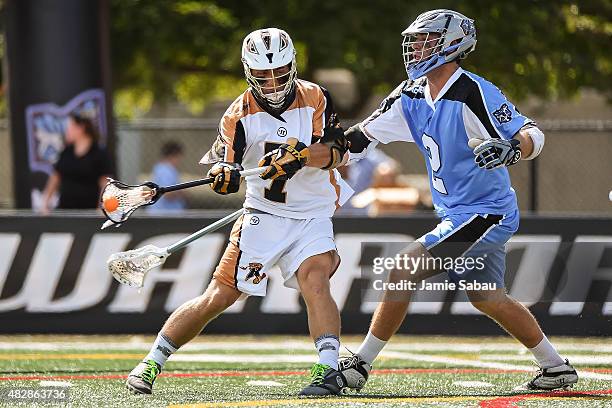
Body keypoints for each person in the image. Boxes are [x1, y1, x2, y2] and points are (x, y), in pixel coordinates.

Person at [301, 9, 578, 392]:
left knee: (402, 270)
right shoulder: (411, 92)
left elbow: (533, 133)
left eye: (424, 40)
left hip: (487, 212)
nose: (414, 48)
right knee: (487, 297)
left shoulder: (473, 92)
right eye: (413, 41)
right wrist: (302, 158)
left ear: (452, 45)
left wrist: (512, 148)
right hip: (457, 214)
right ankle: (555, 367)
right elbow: (359, 140)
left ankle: (359, 366)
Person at [125, 28, 353, 396]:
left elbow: (337, 153)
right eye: (263, 75)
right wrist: (223, 174)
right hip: (264, 215)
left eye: (279, 71)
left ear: (292, 65)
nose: (273, 81)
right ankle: (152, 361)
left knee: (316, 278)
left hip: (313, 212)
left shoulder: (315, 96)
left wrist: (301, 156)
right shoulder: (238, 115)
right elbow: (225, 174)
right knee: (220, 296)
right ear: (249, 72)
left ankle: (327, 369)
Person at [40, 113, 112, 213]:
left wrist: (101, 207)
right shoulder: (66, 152)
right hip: (65, 209)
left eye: (70, 127)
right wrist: (45, 203)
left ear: (81, 128)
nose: (67, 131)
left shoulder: (98, 153)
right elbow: (55, 178)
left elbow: (104, 183)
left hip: (88, 212)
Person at [146, 141, 187, 213]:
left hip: (162, 213)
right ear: (173, 155)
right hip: (165, 214)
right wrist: (182, 193)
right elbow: (167, 194)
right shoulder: (166, 170)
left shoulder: (160, 168)